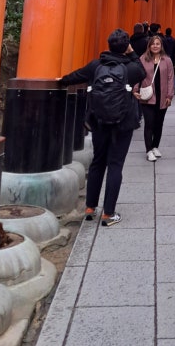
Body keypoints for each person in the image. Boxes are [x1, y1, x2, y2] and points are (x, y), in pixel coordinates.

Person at [58, 28, 144, 227]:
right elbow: (142, 71)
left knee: (98, 162)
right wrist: (132, 53)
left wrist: (62, 81)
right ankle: (108, 213)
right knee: (115, 164)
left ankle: (90, 208)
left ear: (108, 45)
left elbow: (75, 76)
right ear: (126, 46)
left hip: (99, 121)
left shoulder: (96, 66)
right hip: (123, 122)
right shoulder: (130, 69)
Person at [136, 33, 175, 161]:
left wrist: (170, 95)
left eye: (158, 44)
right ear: (149, 46)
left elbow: (170, 78)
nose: (155, 46)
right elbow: (138, 75)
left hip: (162, 97)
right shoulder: (143, 59)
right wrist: (135, 90)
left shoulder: (167, 60)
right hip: (147, 97)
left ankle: (155, 146)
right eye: (153, 44)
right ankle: (148, 150)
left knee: (159, 124)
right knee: (149, 124)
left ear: (161, 45)